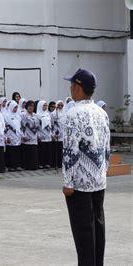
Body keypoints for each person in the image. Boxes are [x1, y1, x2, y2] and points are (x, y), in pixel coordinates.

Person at [62, 69, 110, 266]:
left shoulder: (73, 113)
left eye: (72, 84)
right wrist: (103, 171)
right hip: (99, 181)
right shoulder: (101, 112)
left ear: (77, 87)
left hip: (79, 184)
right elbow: (107, 146)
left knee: (83, 234)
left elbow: (70, 151)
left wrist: (67, 181)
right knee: (98, 228)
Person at [4, 101, 23, 172]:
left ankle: (17, 165)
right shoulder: (6, 116)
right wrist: (6, 137)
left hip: (17, 136)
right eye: (14, 107)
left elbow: (19, 126)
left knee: (17, 151)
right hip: (10, 136)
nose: (15, 109)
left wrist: (21, 134)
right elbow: (5, 127)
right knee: (11, 152)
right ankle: (11, 166)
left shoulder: (18, 116)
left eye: (16, 108)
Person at [20, 100, 39, 170]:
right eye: (30, 106)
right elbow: (21, 126)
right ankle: (26, 166)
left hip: (34, 136)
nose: (31, 108)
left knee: (33, 152)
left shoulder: (35, 115)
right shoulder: (23, 115)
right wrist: (23, 135)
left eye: (33, 106)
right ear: (26, 107)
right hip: (26, 137)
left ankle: (33, 166)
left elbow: (38, 126)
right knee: (27, 152)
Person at [36, 100, 52, 169]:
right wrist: (38, 135)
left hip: (48, 134)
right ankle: (40, 163)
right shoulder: (37, 115)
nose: (45, 107)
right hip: (41, 134)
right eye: (44, 105)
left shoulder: (48, 114)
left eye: (46, 105)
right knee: (41, 150)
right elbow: (36, 126)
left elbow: (50, 124)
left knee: (47, 150)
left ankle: (47, 163)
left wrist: (51, 134)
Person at [51, 100, 65, 169]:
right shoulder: (53, 114)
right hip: (56, 134)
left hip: (63, 134)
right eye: (58, 105)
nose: (60, 106)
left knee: (61, 150)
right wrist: (53, 134)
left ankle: (60, 164)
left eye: (61, 105)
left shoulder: (65, 113)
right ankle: (55, 164)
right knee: (56, 150)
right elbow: (52, 125)